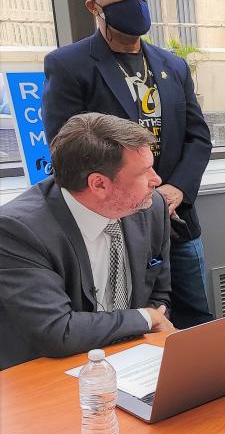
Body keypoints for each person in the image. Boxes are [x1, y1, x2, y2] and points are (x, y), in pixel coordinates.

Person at [41, 0, 213, 330]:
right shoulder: (69, 65)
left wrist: (175, 190)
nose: (132, 3)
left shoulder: (173, 66)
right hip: (115, 221)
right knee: (132, 320)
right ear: (93, 6)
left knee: (197, 316)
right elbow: (66, 147)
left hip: (176, 215)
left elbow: (198, 137)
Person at [0, 113, 174, 370]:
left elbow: (160, 293)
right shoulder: (19, 231)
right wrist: (144, 318)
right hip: (50, 371)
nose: (156, 180)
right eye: (143, 171)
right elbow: (57, 331)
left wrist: (149, 322)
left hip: (134, 357)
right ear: (99, 184)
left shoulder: (151, 207)